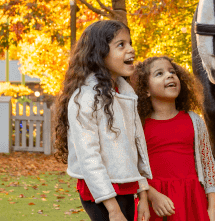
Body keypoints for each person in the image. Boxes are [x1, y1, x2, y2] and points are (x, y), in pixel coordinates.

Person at [54, 20, 152, 221]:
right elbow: (89, 157)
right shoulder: (84, 99)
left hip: (126, 186)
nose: (131, 49)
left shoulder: (126, 93)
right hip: (100, 192)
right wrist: (113, 210)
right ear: (99, 53)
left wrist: (142, 195)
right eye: (121, 45)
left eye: (130, 43)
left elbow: (136, 149)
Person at [134, 56, 215, 221]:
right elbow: (134, 168)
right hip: (155, 203)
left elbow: (209, 166)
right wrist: (152, 195)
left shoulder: (194, 121)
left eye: (172, 72)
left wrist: (214, 208)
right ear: (146, 89)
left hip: (192, 201)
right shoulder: (139, 126)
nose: (169, 75)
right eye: (159, 73)